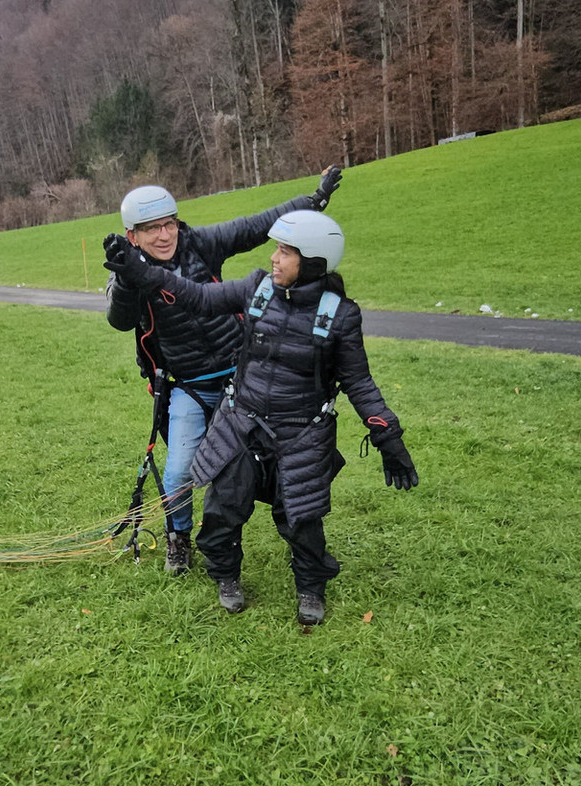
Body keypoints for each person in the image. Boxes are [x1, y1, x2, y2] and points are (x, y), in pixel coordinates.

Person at [104, 209, 418, 625]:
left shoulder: (340, 316)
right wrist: (141, 276)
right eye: (276, 249)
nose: (274, 258)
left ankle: (310, 587)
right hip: (241, 424)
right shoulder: (257, 289)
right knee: (222, 509)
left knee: (301, 520)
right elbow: (196, 296)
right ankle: (226, 576)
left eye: (285, 252)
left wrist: (388, 438)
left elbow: (359, 383)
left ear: (312, 262)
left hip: (301, 434)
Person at [106, 168, 343, 575]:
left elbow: (254, 226)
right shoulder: (127, 271)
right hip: (188, 388)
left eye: (169, 225)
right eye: (151, 229)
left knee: (280, 460)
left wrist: (313, 201)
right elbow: (120, 319)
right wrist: (129, 279)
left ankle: (304, 545)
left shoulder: (199, 244)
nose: (164, 236)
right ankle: (178, 538)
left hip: (242, 380)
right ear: (132, 236)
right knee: (180, 470)